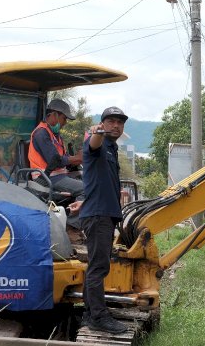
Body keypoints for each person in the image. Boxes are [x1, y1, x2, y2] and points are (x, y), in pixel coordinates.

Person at [69, 106, 129, 334]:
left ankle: (89, 313)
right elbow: (93, 143)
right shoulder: (99, 143)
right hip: (99, 216)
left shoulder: (112, 149)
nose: (116, 125)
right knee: (99, 267)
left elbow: (97, 183)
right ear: (103, 124)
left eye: (120, 122)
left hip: (103, 212)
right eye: (111, 121)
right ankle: (98, 317)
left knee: (96, 265)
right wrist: (96, 132)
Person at [28, 98, 84, 199]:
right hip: (46, 177)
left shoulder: (56, 136)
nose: (65, 122)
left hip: (60, 175)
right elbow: (55, 160)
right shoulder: (41, 133)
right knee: (86, 188)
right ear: (54, 115)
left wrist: (77, 159)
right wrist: (76, 158)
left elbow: (64, 157)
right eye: (64, 118)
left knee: (92, 181)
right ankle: (77, 214)